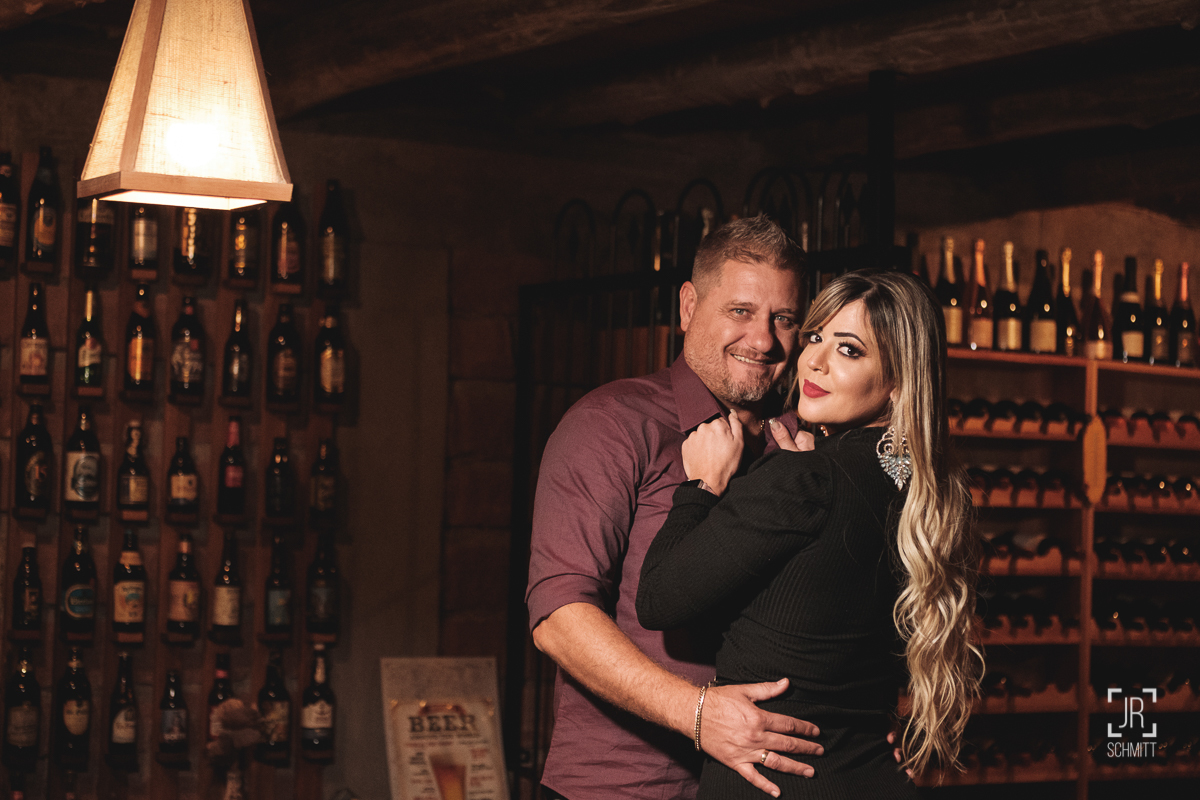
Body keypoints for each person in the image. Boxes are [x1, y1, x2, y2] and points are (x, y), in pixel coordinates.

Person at [637, 270, 983, 798]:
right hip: (872, 778)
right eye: (815, 336)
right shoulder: (932, 494)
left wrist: (701, 486)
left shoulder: (805, 479)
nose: (814, 361)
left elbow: (658, 599)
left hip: (779, 784)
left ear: (899, 380)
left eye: (849, 350)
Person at [526, 216, 822, 800]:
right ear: (689, 306)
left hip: (768, 786)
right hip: (628, 787)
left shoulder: (802, 444)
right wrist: (700, 714)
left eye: (784, 318)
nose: (763, 340)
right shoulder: (613, 424)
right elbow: (559, 618)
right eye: (740, 311)